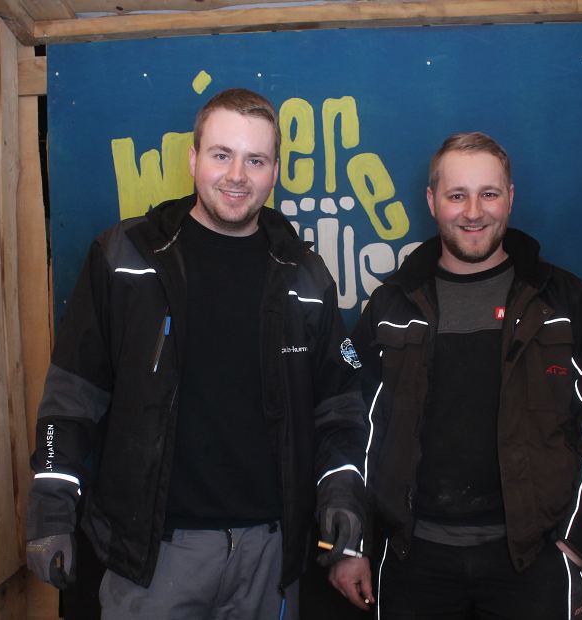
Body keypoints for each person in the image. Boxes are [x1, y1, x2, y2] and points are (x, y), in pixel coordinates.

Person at [25, 88, 367, 618]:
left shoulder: (305, 274)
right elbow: (72, 397)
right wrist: (51, 510)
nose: (237, 176)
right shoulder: (124, 258)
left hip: (268, 554)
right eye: (221, 155)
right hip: (153, 555)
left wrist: (341, 491)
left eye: (255, 160)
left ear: (275, 171)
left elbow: (339, 408)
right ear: (193, 159)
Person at [330, 132, 582, 618]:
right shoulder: (391, 307)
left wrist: (578, 541)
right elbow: (351, 425)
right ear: (432, 201)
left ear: (510, 198)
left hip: (534, 562)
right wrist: (353, 544)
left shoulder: (564, 301)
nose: (473, 212)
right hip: (414, 562)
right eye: (457, 195)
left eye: (489, 194)